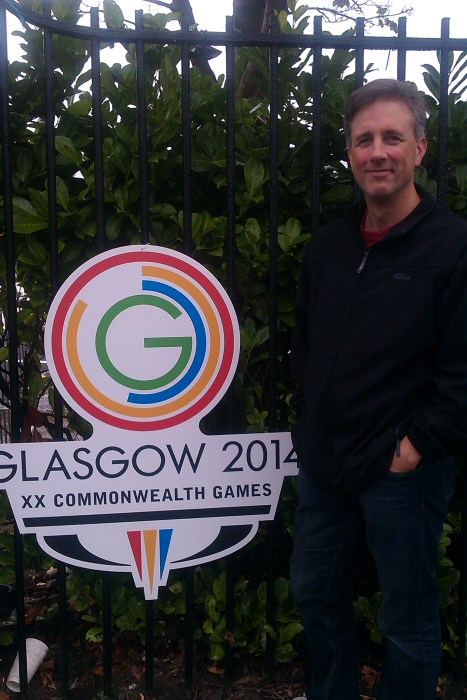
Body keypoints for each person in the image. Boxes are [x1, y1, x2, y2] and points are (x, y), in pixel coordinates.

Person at [290, 78, 467, 700]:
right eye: (364, 140)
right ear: (350, 155)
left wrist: (413, 448)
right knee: (316, 595)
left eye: (393, 137)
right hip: (325, 463)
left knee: (407, 617)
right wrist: (311, 424)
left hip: (402, 470)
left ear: (420, 147)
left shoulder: (454, 246)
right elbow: (306, 344)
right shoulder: (328, 247)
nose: (378, 152)